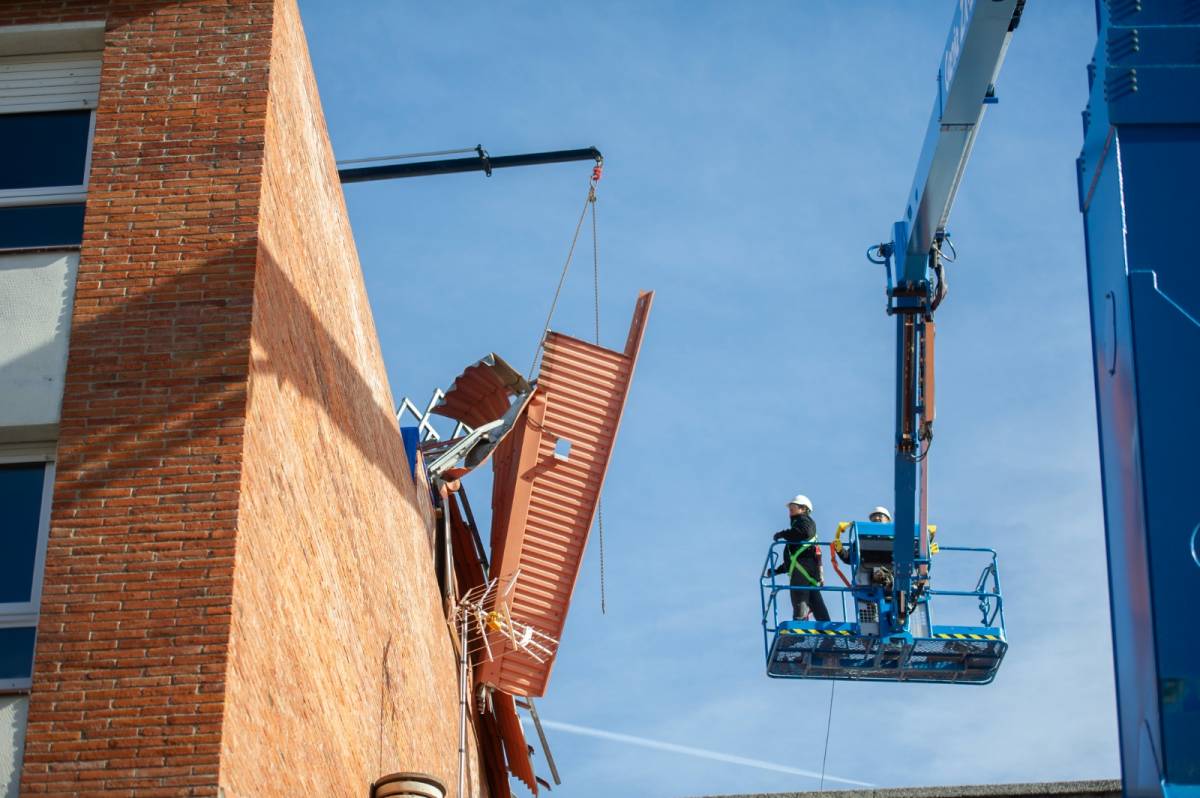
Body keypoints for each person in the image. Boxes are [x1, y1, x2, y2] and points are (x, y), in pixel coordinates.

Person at [771, 495, 831, 622]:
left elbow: (805, 533)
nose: (790, 509)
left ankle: (799, 623)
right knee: (814, 599)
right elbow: (790, 562)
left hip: (804, 566)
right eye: (790, 507)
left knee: (799, 593)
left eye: (794, 507)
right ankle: (826, 628)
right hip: (805, 566)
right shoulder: (797, 528)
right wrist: (777, 571)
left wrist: (783, 534)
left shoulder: (804, 521)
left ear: (803, 509)